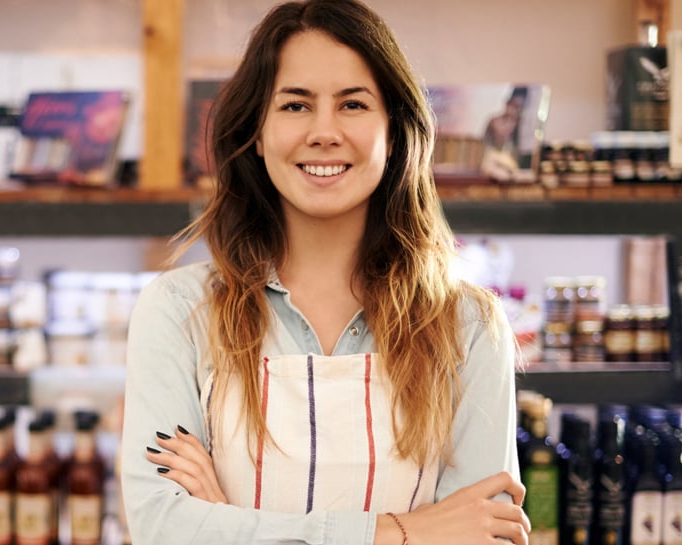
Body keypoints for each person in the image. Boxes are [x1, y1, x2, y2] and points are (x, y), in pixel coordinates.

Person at [119, 0, 529, 544]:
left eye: (353, 104)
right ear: (257, 134)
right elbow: (162, 529)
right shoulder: (178, 311)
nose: (324, 132)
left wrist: (228, 522)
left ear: (395, 132)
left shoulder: (469, 325)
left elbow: (482, 536)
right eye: (295, 105)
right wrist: (404, 533)